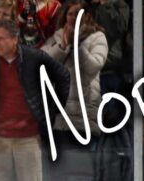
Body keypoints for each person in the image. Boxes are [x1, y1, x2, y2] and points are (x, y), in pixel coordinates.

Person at [0, 19, 69, 181]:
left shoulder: (34, 57)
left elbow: (63, 76)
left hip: (28, 138)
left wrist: (53, 108)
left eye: (1, 39)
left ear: (14, 39)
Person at [40, 0, 108, 136]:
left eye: (77, 14)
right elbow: (43, 65)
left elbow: (93, 67)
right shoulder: (57, 37)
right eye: (70, 14)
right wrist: (62, 48)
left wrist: (76, 44)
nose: (72, 17)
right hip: (60, 115)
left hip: (85, 113)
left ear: (87, 17)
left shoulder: (97, 37)